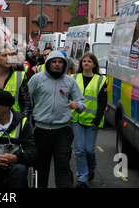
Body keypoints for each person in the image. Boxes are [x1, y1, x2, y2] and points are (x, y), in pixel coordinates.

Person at [28, 50, 85, 188]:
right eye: (54, 62)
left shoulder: (70, 81)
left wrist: (78, 105)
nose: (57, 65)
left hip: (63, 130)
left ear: (64, 64)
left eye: (60, 62)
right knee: (40, 166)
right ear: (48, 63)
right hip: (41, 130)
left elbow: (81, 102)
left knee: (63, 164)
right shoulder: (37, 78)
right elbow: (26, 99)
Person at [70, 52, 107, 188]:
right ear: (81, 64)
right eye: (84, 61)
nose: (86, 63)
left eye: (89, 61)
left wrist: (97, 120)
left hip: (92, 121)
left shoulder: (101, 80)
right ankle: (82, 176)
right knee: (79, 149)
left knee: (89, 150)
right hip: (76, 119)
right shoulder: (73, 78)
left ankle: (91, 169)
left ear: (94, 64)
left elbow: (103, 102)